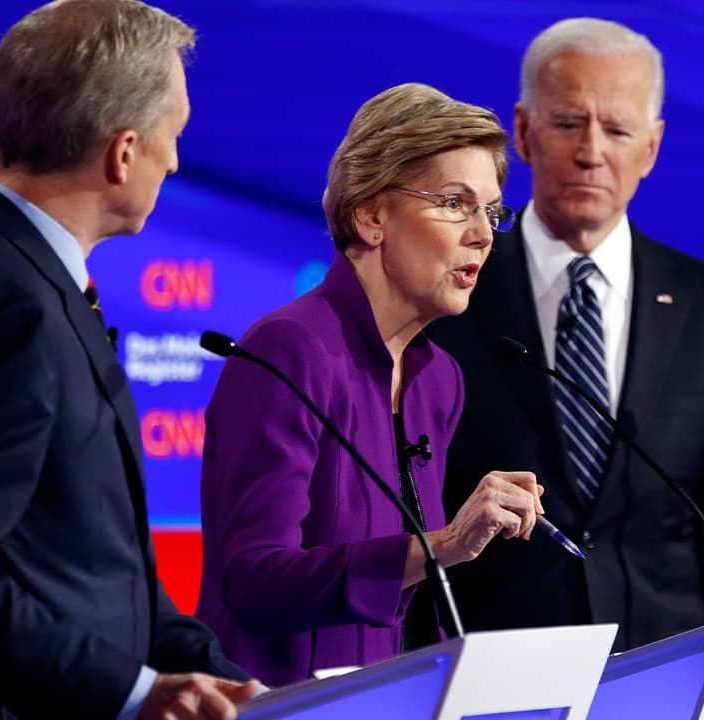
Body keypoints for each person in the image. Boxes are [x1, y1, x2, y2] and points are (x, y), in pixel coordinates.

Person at [0, 2, 258, 718]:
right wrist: (133, 694)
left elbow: (91, 564)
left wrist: (209, 673)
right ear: (122, 152)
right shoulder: (2, 301)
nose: (177, 159)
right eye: (174, 135)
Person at [426, 18, 704, 652]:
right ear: (525, 132)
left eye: (617, 130)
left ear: (651, 147)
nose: (592, 152)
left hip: (666, 665)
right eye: (568, 123)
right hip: (491, 659)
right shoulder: (447, 293)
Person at [194, 83, 543, 687]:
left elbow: (411, 605)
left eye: (490, 212)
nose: (483, 236)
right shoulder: (290, 349)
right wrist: (440, 545)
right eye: (455, 203)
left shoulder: (439, 378)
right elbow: (252, 583)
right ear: (371, 215)